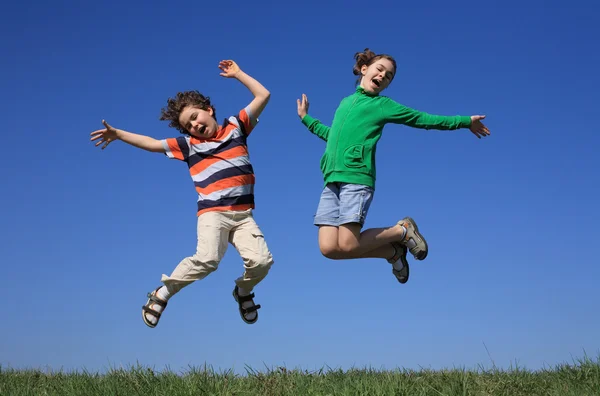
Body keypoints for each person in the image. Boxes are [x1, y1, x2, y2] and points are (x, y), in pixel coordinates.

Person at [90, 60, 274, 327]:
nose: (195, 125)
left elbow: (263, 95)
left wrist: (238, 74)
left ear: (209, 110)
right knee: (208, 260)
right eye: (188, 125)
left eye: (196, 117)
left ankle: (243, 291)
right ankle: (162, 292)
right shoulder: (188, 146)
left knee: (262, 261)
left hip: (243, 216)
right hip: (213, 214)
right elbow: (153, 144)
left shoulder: (237, 127)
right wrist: (118, 134)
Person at [296, 48, 490, 284]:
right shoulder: (345, 102)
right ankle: (393, 252)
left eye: (388, 76)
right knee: (329, 249)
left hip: (356, 177)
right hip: (331, 181)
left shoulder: (382, 105)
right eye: (380, 69)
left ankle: (402, 230)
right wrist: (307, 119)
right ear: (364, 69)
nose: (382, 76)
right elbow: (333, 136)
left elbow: (422, 119)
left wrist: (464, 122)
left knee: (347, 244)